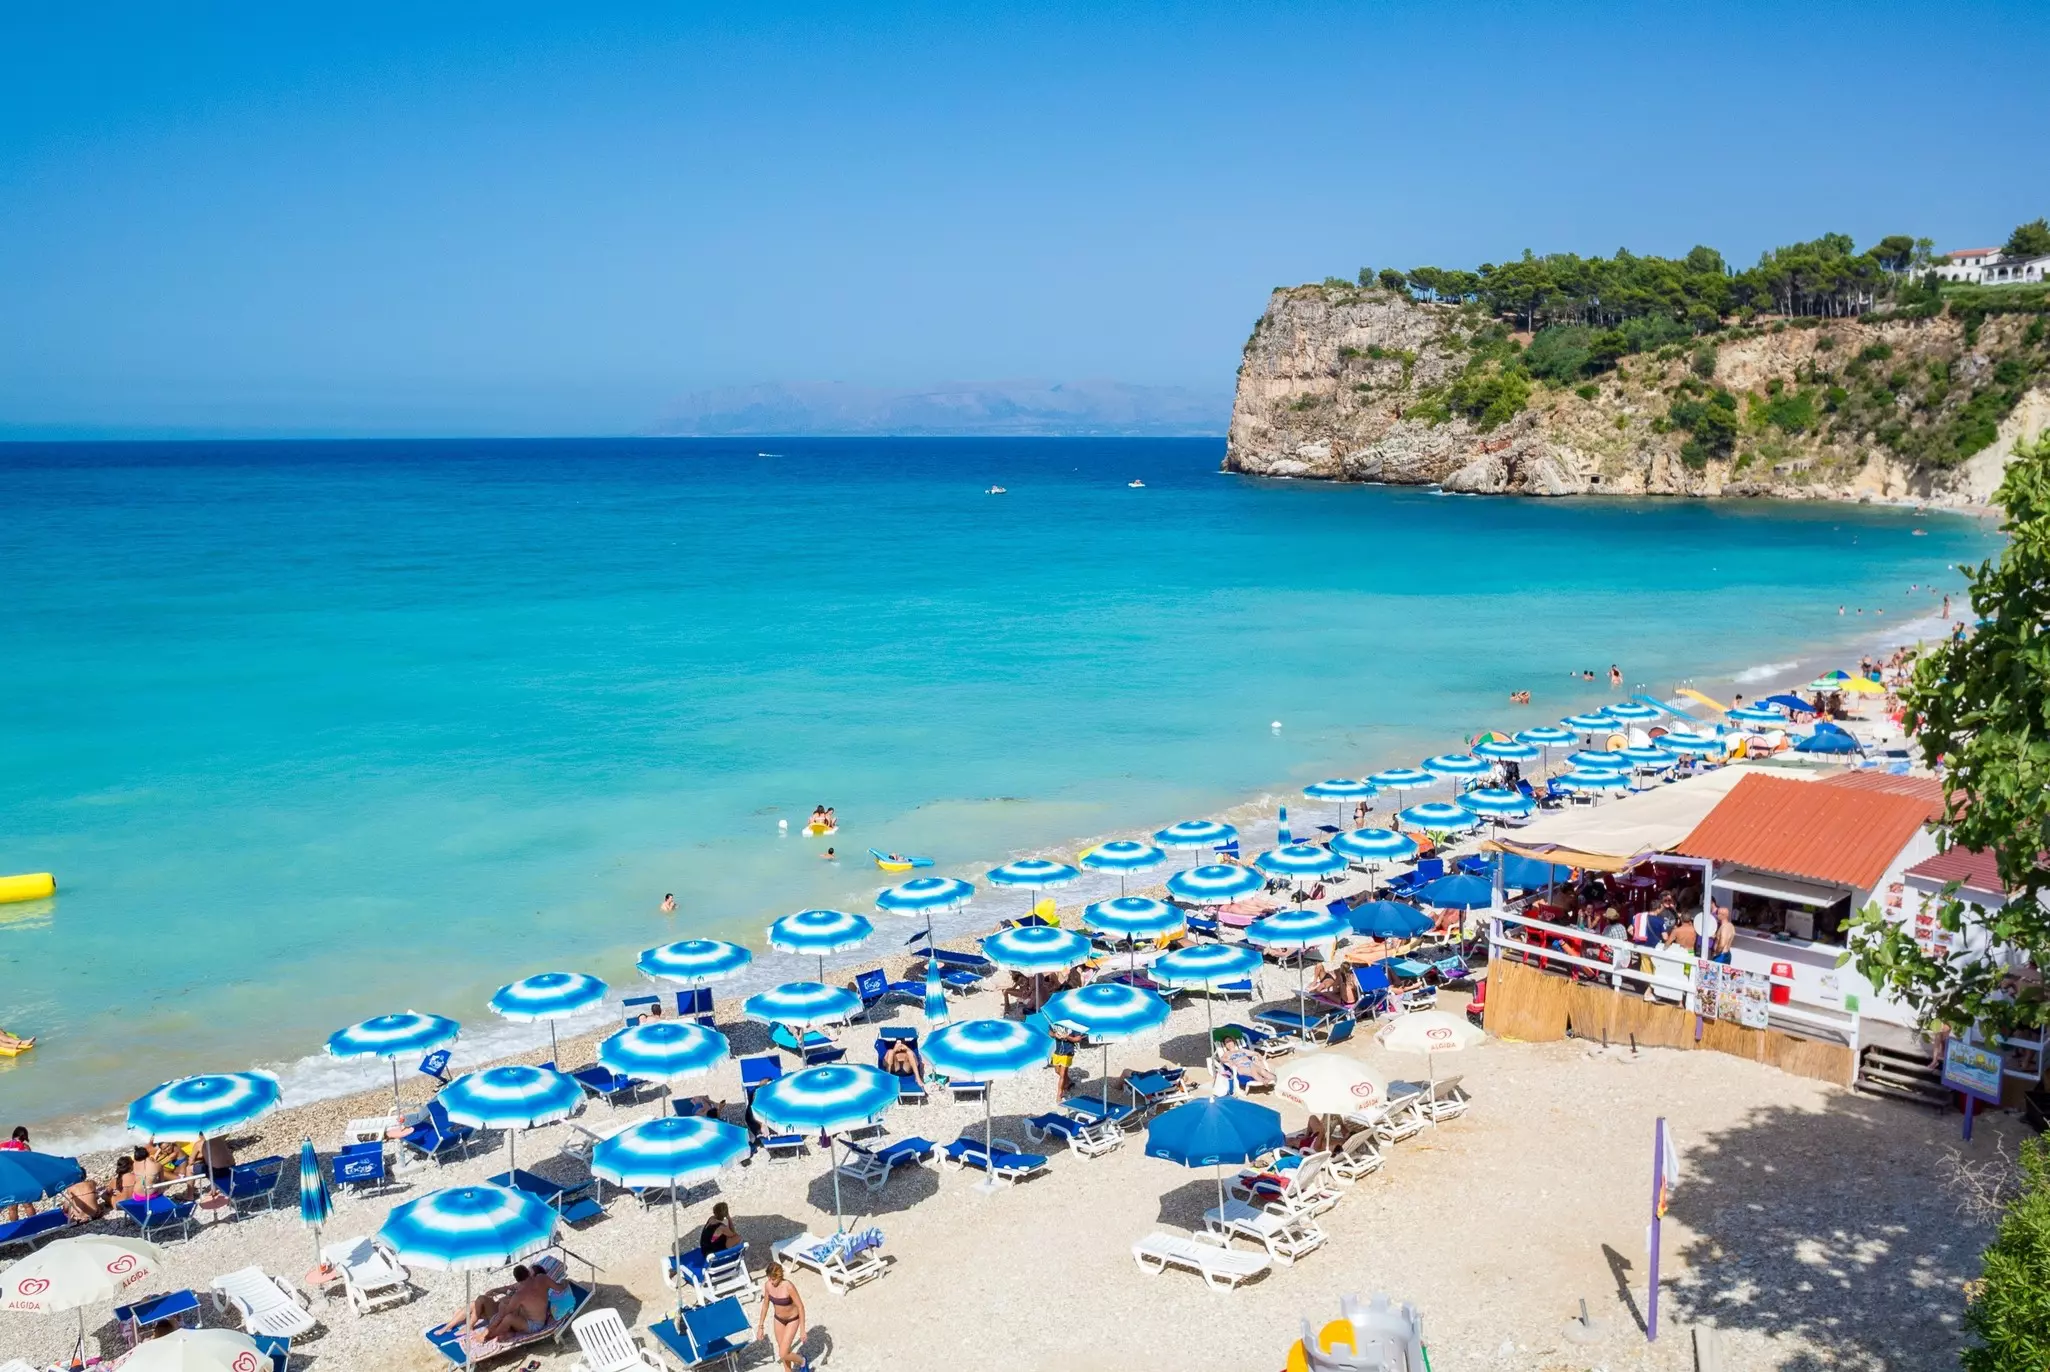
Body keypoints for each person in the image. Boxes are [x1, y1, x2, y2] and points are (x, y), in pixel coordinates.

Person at [756, 1261, 807, 1371]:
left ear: (779, 1276)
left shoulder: (788, 1286)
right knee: (784, 1350)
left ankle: (802, 1360)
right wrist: (760, 1326)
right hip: (778, 1319)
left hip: (792, 1319)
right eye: (769, 1278)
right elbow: (765, 1305)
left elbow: (800, 1307)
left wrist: (802, 1329)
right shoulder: (768, 1286)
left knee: (783, 1353)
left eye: (773, 1279)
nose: (770, 1281)